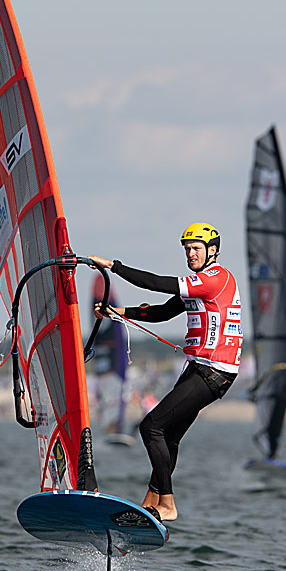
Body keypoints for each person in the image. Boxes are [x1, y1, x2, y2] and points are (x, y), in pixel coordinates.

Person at [88, 222, 242, 522]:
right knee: (168, 437)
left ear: (212, 251)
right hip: (199, 369)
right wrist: (119, 312)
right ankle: (150, 503)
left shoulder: (216, 278)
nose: (190, 253)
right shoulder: (198, 285)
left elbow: (157, 283)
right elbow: (163, 312)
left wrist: (114, 266)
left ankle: (168, 505)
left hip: (214, 371)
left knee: (151, 427)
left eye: (196, 248)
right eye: (187, 249)